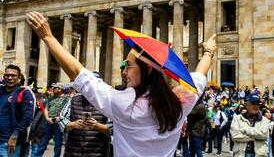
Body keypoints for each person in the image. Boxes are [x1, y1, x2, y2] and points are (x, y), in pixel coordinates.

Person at [26, 11, 217, 157]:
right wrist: (208, 52)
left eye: (129, 66)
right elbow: (200, 75)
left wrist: (48, 37)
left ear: (148, 70)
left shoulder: (123, 103)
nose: (124, 71)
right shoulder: (180, 101)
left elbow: (78, 72)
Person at [59, 74, 111, 157]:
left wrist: (97, 126)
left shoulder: (107, 102)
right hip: (73, 152)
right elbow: (62, 120)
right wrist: (73, 125)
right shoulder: (73, 100)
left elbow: (114, 129)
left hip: (97, 153)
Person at [0, 65, 35, 156]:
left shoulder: (24, 92)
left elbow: (27, 118)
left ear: (19, 78)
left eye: (13, 75)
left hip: (8, 142)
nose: (10, 78)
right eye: (7, 75)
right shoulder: (1, 91)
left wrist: (15, 136)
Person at [32, 82, 67, 157]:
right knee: (42, 143)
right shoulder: (51, 98)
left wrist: (60, 118)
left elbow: (67, 110)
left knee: (58, 144)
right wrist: (47, 118)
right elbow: (46, 109)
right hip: (48, 123)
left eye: (55, 88)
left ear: (60, 89)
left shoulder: (66, 98)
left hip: (59, 124)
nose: (52, 89)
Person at [230, 93, 269, 157]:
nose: (256, 106)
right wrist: (256, 137)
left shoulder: (264, 120)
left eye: (257, 104)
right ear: (246, 105)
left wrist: (244, 130)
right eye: (253, 103)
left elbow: (264, 135)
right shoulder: (237, 118)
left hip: (259, 155)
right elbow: (235, 136)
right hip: (241, 154)